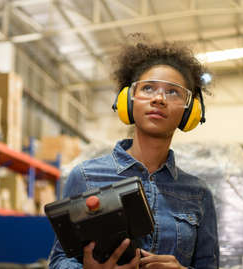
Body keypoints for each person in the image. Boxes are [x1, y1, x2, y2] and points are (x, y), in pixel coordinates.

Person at [49, 35, 219, 269]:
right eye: (148, 88)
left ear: (190, 112)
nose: (159, 99)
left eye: (173, 92)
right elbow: (59, 260)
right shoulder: (86, 177)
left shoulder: (198, 195)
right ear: (127, 101)